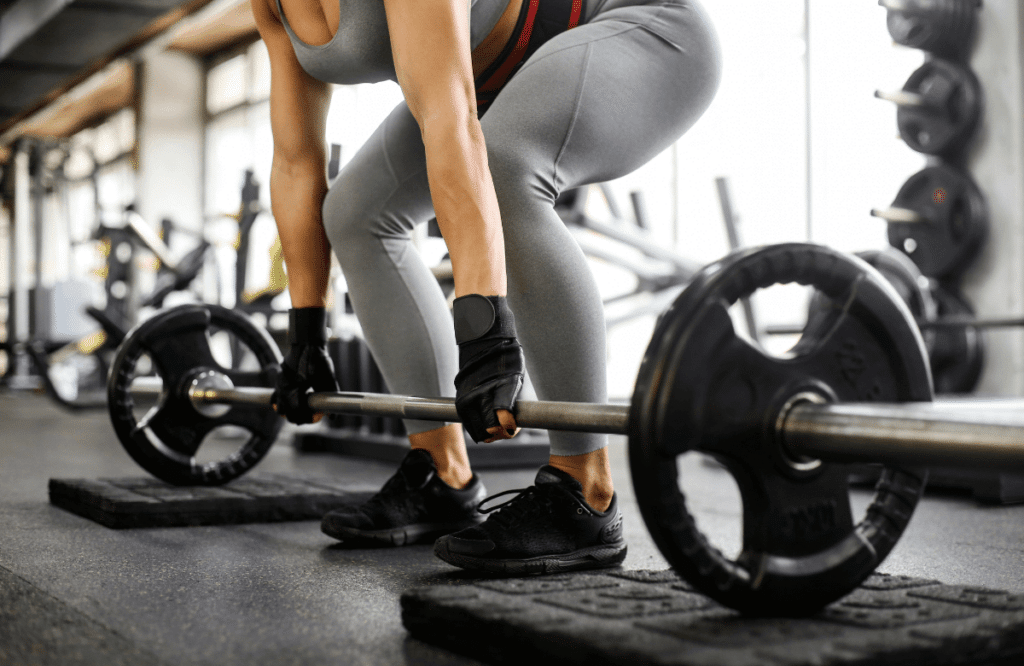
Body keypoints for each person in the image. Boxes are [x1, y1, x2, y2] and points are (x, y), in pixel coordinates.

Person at [253, 0, 720, 573]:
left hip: (644, 30)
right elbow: (297, 162)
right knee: (356, 210)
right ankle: (442, 473)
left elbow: (448, 117)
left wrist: (485, 330)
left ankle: (585, 490)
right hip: (503, 72)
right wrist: (307, 333)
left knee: (503, 162)